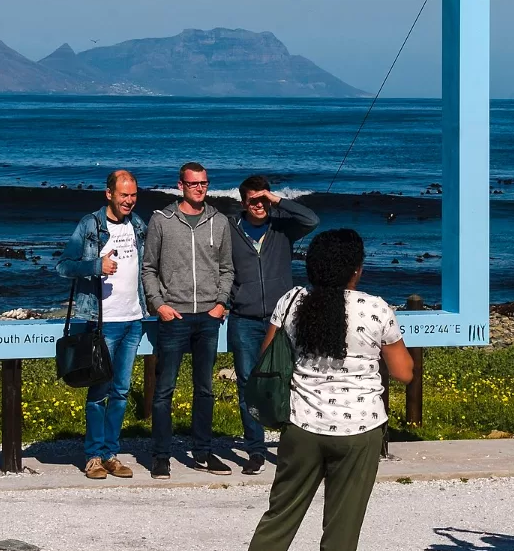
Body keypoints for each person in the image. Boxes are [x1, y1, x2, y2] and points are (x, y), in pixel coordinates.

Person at [214, 229, 414, 551]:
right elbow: (404, 372)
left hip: (303, 425)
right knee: (342, 526)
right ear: (356, 270)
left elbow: (269, 356)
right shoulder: (376, 309)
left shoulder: (291, 301)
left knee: (280, 515)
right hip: (359, 430)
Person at [143, 162, 236, 479]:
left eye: (204, 183)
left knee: (205, 389)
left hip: (208, 317)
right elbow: (149, 268)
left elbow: (227, 269)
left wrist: (221, 303)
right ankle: (161, 456)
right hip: (174, 316)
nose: (200, 188)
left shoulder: (219, 221)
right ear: (180, 185)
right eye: (194, 183)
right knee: (164, 390)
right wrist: (159, 305)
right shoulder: (162, 220)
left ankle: (203, 453)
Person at [57, 170, 149, 480]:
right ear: (109, 194)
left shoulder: (138, 225)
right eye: (124, 195)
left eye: (133, 195)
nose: (129, 200)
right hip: (102, 322)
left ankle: (111, 454)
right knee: (99, 391)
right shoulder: (90, 225)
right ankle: (93, 456)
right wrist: (97, 265)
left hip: (133, 320)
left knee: (121, 391)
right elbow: (63, 266)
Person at [226, 174, 320, 476]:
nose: (259, 205)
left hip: (282, 319)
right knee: (247, 384)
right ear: (243, 202)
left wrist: (277, 200)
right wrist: (227, 299)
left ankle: (290, 447)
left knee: (290, 380)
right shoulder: (230, 229)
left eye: (263, 199)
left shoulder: (282, 227)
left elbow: (312, 220)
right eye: (254, 200)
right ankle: (255, 449)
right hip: (243, 318)